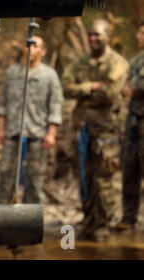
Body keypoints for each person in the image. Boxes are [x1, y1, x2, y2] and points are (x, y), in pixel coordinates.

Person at [62, 19, 129, 241]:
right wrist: (89, 87)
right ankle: (88, 222)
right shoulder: (80, 62)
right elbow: (65, 89)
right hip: (82, 129)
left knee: (103, 179)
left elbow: (110, 94)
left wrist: (82, 93)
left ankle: (103, 225)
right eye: (90, 35)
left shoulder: (117, 62)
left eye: (98, 35)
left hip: (105, 131)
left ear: (108, 35)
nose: (93, 39)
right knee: (85, 176)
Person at [0, 36, 63, 204]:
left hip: (38, 133)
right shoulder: (12, 73)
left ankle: (31, 216)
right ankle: (1, 214)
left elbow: (55, 106)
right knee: (5, 173)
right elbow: (3, 103)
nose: (31, 49)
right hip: (13, 131)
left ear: (43, 51)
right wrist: (1, 129)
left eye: (36, 46)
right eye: (28, 45)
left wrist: (51, 134)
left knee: (35, 177)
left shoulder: (49, 75)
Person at [116, 21, 144, 231]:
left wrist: (134, 90)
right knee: (129, 169)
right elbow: (124, 87)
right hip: (133, 120)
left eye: (142, 32)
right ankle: (128, 218)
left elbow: (135, 88)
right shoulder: (136, 60)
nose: (138, 36)